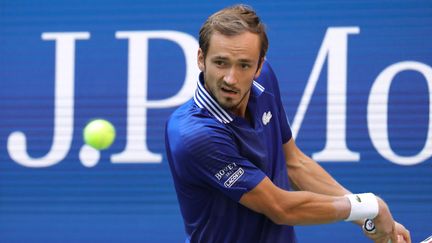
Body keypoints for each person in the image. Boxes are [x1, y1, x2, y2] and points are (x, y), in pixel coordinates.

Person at [165, 4, 411, 243]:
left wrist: (367, 214)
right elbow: (281, 207)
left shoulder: (264, 82)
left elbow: (294, 164)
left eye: (244, 65)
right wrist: (369, 206)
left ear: (260, 66)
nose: (231, 78)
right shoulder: (193, 134)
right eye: (220, 63)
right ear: (201, 58)